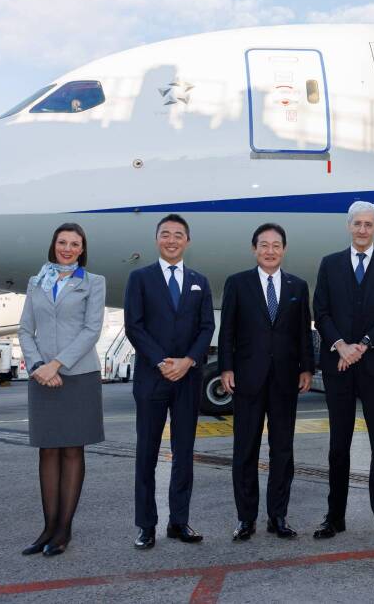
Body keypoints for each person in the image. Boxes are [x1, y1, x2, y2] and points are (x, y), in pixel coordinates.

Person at [312, 201, 374, 540]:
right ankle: (334, 516)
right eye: (358, 224)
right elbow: (320, 310)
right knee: (339, 444)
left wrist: (363, 344)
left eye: (369, 224)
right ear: (348, 226)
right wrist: (340, 345)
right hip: (338, 365)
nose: (363, 229)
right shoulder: (330, 264)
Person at [218, 223, 315, 541]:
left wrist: (307, 369)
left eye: (276, 245)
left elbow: (304, 331)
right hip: (247, 378)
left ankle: (278, 516)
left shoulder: (297, 286)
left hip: (286, 379)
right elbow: (228, 330)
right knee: (245, 449)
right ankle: (246, 519)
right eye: (264, 244)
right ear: (254, 249)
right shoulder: (237, 283)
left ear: (284, 249)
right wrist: (226, 368)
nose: (270, 250)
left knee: (282, 451)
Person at [124, 214, 215, 550]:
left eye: (179, 235)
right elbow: (135, 326)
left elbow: (207, 327)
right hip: (153, 377)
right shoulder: (140, 278)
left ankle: (179, 521)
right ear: (157, 239)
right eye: (166, 234)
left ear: (187, 241)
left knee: (184, 453)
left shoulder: (199, 281)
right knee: (146, 452)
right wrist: (162, 362)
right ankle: (146, 525)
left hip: (188, 378)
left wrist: (188, 361)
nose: (172, 240)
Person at [17, 223, 106, 557]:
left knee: (71, 450)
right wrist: (38, 365)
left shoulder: (94, 283)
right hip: (41, 375)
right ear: (53, 245)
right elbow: (25, 329)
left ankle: (64, 530)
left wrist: (57, 365)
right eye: (62, 242)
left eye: (75, 244)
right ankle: (47, 528)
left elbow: (91, 330)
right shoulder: (36, 282)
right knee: (47, 451)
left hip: (78, 375)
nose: (67, 248)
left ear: (82, 249)